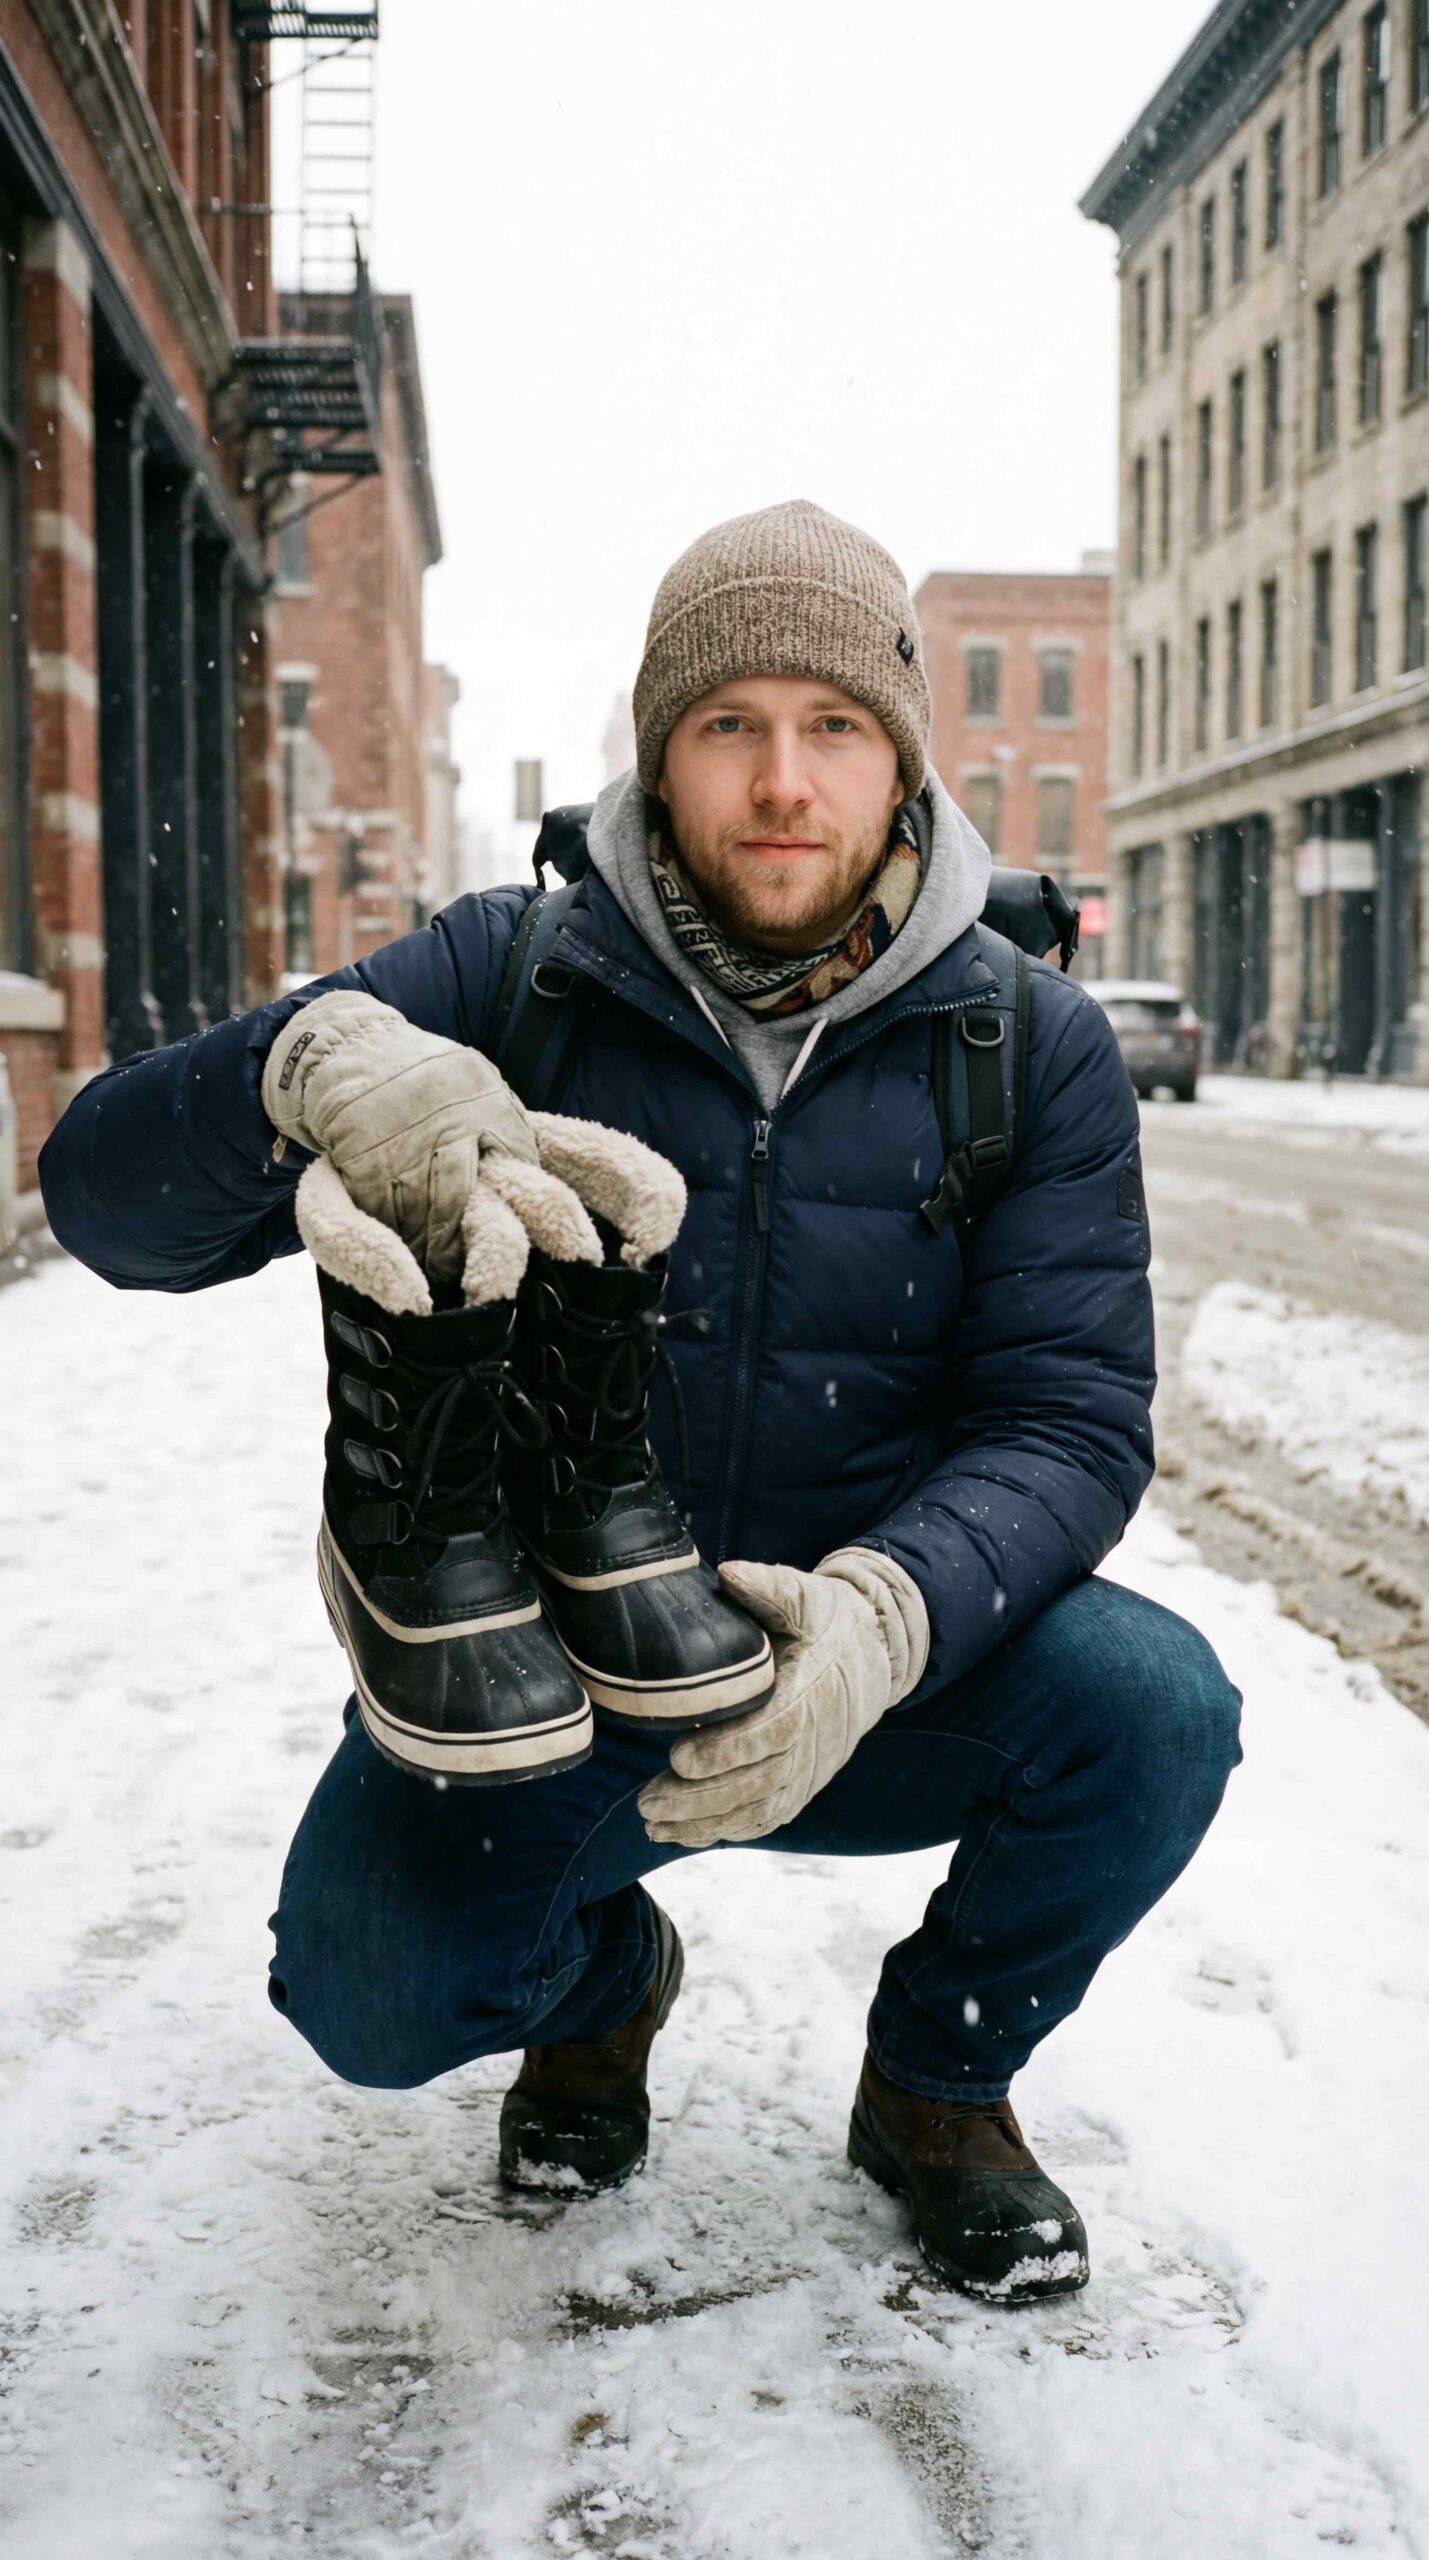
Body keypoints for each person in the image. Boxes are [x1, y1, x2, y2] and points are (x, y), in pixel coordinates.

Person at [40, 500, 1241, 2305]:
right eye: (727, 724)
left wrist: (884, 1617)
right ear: (659, 752)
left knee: (1153, 1710)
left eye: (833, 726)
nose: (782, 781)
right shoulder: (507, 977)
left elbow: (1067, 1418)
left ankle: (936, 2082)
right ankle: (604, 1988)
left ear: (901, 760)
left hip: (867, 1665)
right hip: (544, 1678)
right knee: (365, 1996)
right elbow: (103, 1206)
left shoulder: (1025, 1039)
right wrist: (304, 1063)